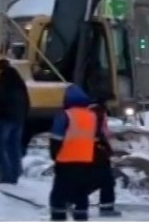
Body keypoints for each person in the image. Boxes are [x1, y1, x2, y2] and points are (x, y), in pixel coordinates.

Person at [48, 84, 106, 221]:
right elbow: (96, 138)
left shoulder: (65, 115)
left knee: (59, 193)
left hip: (65, 159)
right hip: (85, 160)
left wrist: (54, 155)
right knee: (81, 193)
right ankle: (81, 216)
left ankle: (58, 217)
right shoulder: (91, 116)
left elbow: (56, 138)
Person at [0, 58, 29, 184]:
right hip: (19, 118)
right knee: (15, 146)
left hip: (6, 118)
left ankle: (7, 175)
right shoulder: (19, 82)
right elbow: (27, 101)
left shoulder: (2, 81)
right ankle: (16, 173)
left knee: (2, 147)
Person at [88, 101, 121, 217]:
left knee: (97, 180)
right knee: (106, 180)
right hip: (97, 151)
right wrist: (107, 148)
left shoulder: (92, 111)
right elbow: (102, 133)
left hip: (92, 151)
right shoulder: (97, 113)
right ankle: (106, 208)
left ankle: (71, 198)